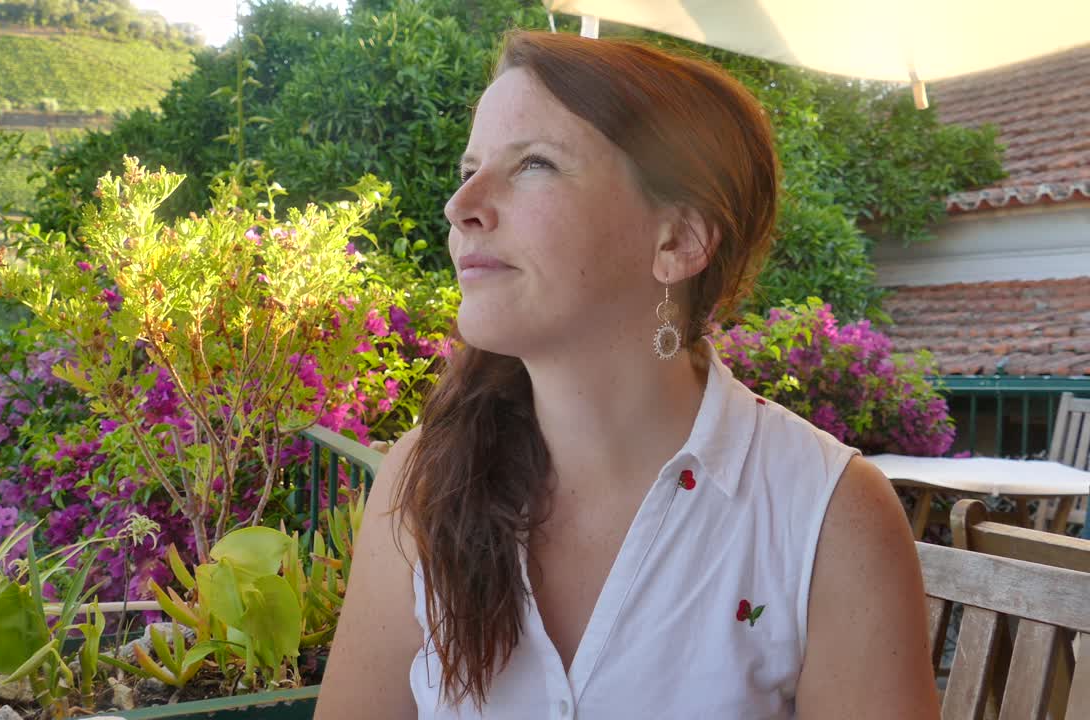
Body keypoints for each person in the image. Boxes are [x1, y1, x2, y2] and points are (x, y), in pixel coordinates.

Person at [315, 30, 939, 719]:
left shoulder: (828, 517)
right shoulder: (422, 484)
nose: (461, 204)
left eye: (535, 166)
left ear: (678, 240)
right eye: (471, 166)